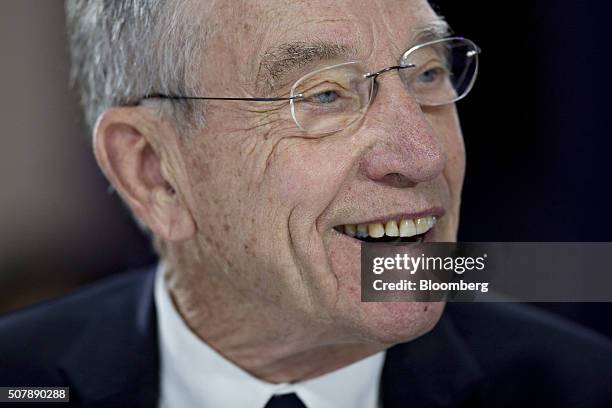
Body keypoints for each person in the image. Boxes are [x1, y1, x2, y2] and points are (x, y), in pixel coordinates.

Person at [1, 0, 612, 407]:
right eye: (323, 95)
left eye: (427, 74)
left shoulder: (582, 385)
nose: (422, 154)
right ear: (153, 171)